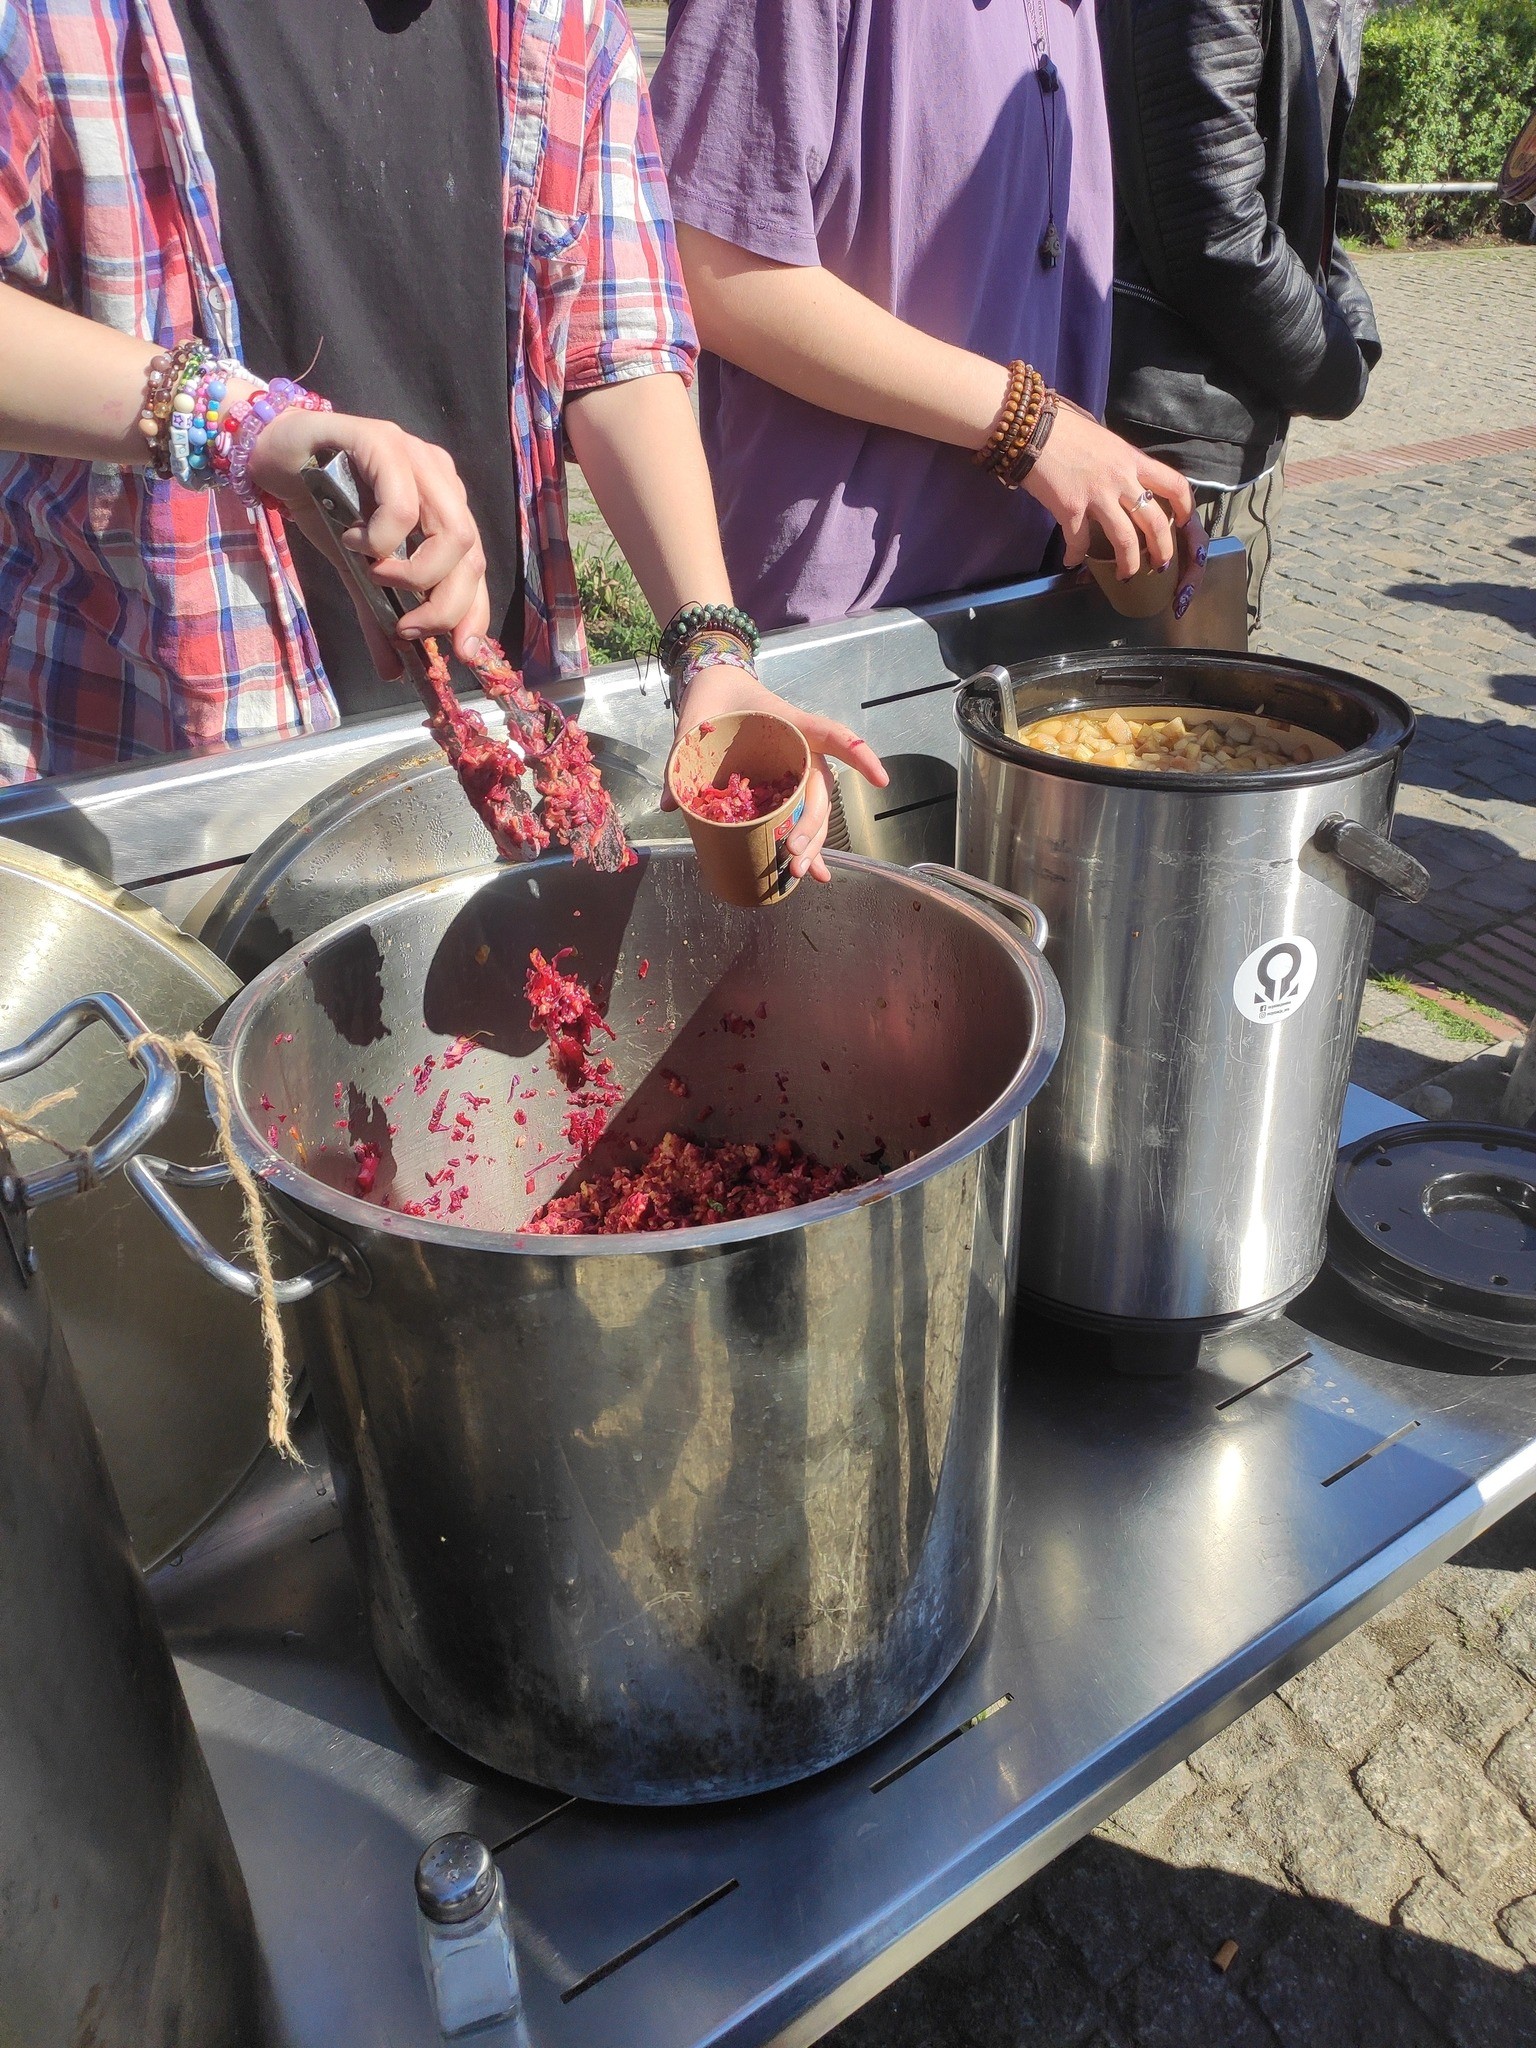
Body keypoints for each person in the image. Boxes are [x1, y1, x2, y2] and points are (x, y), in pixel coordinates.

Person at [0, 0, 883, 885]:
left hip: (502, 735)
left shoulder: (560, 18)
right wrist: (242, 424)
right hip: (166, 778)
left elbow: (617, 353)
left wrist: (710, 646)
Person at [648, 0, 1208, 639]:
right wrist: (1031, 428)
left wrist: (1105, 476)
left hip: (1033, 594)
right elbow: (711, 268)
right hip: (849, 623)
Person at [1097, 0, 1381, 631]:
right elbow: (1215, 235)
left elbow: (1297, 193)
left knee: (1213, 671)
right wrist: (1337, 369)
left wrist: (1351, 327)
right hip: (1167, 447)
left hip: (1231, 422)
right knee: (1165, 686)